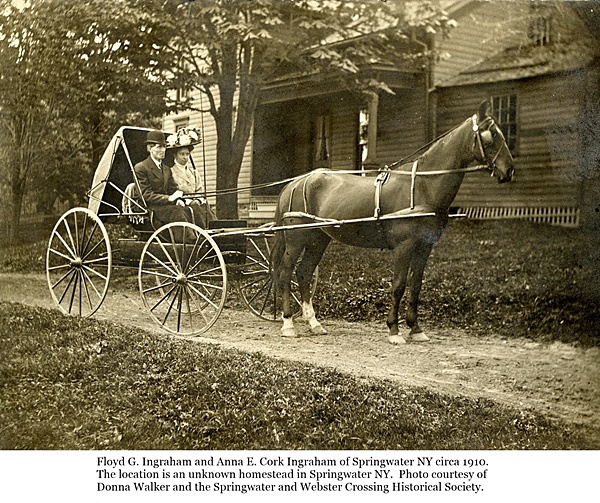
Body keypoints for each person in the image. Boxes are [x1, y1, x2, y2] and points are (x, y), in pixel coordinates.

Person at [133, 130, 193, 230]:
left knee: (192, 209)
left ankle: (210, 235)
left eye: (164, 146)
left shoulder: (166, 169)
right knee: (177, 213)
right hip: (151, 209)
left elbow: (172, 190)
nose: (163, 150)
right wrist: (168, 198)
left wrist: (178, 199)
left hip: (165, 207)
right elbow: (145, 194)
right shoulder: (141, 168)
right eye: (159, 147)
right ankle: (192, 240)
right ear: (149, 148)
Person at [168, 143, 216, 228]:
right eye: (182, 154)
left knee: (206, 210)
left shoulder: (193, 172)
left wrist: (198, 199)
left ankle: (217, 230)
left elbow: (199, 190)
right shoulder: (170, 172)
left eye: (187, 154)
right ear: (175, 155)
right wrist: (189, 202)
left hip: (197, 204)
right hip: (183, 206)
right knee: (196, 210)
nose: (185, 157)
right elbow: (172, 191)